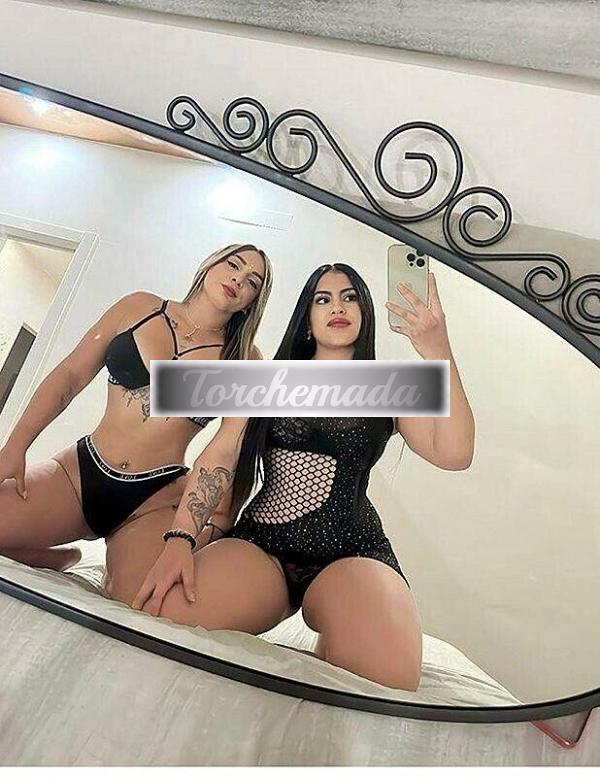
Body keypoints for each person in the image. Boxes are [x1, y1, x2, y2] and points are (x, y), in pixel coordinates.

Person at [129, 263, 475, 691]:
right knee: (164, 618)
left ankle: (332, 631)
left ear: (365, 313)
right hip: (263, 546)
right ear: (307, 318)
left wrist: (438, 348)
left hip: (352, 550)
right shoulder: (268, 379)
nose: (337, 307)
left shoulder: (388, 385)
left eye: (350, 297)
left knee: (389, 681)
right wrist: (181, 538)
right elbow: (221, 453)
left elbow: (456, 454)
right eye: (323, 299)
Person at [0, 244, 272, 581]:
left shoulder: (244, 359)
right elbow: (70, 377)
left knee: (139, 598)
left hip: (154, 498)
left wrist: (190, 531)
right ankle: (54, 556)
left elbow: (226, 449)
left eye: (252, 281)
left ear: (251, 302)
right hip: (79, 473)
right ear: (210, 265)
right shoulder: (138, 307)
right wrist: (16, 446)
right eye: (233, 264)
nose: (238, 279)